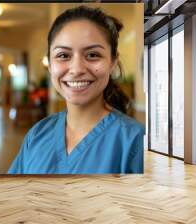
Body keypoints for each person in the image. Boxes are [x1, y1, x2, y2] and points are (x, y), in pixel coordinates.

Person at [8, 6, 144, 174]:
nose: (77, 69)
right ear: (50, 64)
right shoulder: (36, 135)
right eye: (63, 55)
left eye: (93, 55)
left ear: (113, 62)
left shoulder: (136, 141)